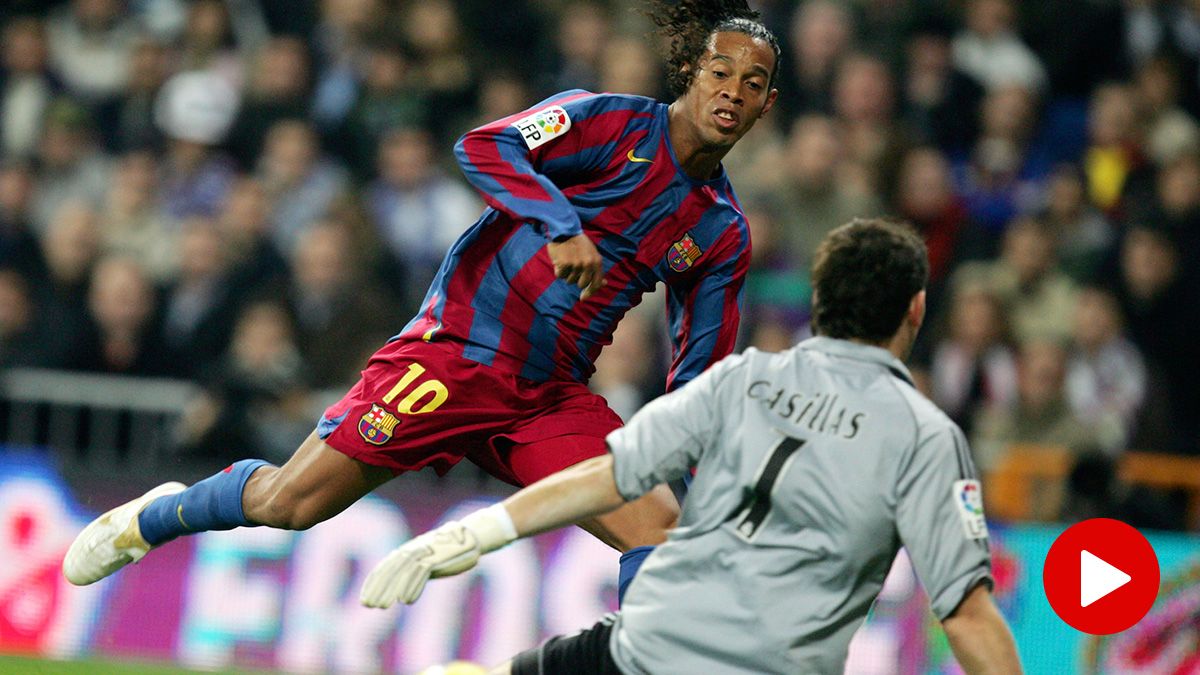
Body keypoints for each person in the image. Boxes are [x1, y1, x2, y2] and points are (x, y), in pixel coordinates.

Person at [62, 0, 782, 604]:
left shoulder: (720, 233)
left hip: (547, 400)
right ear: (692, 71)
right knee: (290, 503)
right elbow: (485, 147)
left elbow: (697, 377)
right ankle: (149, 519)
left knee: (664, 532)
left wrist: (697, 481)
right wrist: (561, 225)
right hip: (454, 355)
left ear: (766, 104)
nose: (733, 91)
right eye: (721, 71)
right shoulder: (606, 122)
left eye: (752, 84)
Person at [360, 220, 1022, 675]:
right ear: (915, 309)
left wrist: (478, 530)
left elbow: (612, 472)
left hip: (647, 639)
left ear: (818, 302)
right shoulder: (925, 435)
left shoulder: (745, 377)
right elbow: (964, 613)